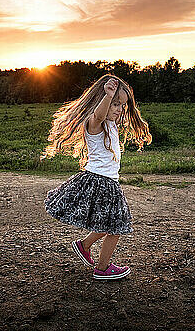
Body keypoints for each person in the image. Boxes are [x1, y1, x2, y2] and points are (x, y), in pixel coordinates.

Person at [41, 74, 152, 280]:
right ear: (103, 100)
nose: (119, 109)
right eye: (115, 104)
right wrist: (108, 96)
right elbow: (99, 115)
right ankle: (102, 268)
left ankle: (84, 246)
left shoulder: (111, 125)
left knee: (109, 223)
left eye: (122, 105)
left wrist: (113, 101)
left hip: (109, 182)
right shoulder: (94, 123)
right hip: (100, 182)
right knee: (115, 226)